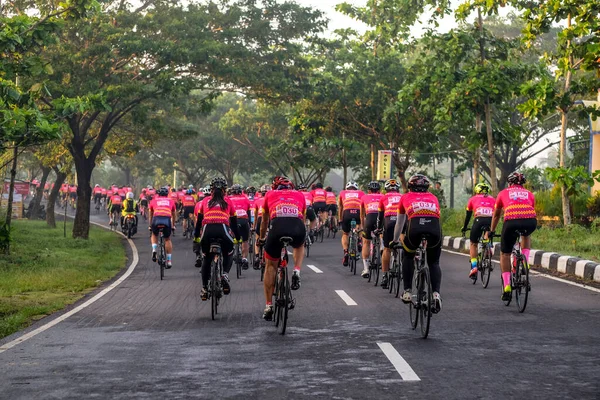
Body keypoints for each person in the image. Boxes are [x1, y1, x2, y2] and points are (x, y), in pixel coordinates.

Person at [392, 174, 443, 313]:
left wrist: (395, 240)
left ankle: (408, 291)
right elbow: (437, 217)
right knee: (434, 263)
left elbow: (400, 223)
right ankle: (436, 294)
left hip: (414, 228)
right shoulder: (434, 198)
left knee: (408, 256)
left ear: (410, 187)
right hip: (435, 230)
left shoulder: (405, 197)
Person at [258, 176, 306, 320]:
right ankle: (297, 270)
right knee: (299, 244)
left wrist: (261, 238)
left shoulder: (269, 194)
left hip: (276, 227)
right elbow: (302, 218)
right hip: (296, 227)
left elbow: (264, 221)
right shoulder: (299, 195)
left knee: (270, 266)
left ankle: (268, 306)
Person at [488, 172, 536, 301]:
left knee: (505, 254)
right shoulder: (530, 194)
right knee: (526, 235)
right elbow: (531, 210)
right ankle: (525, 262)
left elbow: (497, 215)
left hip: (511, 222)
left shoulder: (503, 193)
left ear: (510, 183)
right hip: (530, 221)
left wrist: (492, 230)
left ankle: (507, 286)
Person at [192, 178, 240, 300]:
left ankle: (204, 288)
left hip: (207, 230)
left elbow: (198, 223)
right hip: (223, 230)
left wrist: (196, 238)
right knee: (229, 252)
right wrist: (238, 238)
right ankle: (224, 275)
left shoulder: (204, 201)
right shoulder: (228, 201)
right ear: (224, 190)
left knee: (206, 259)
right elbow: (234, 223)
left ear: (212, 190)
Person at [461, 183, 495, 279]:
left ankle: (474, 267)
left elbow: (468, 216)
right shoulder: (493, 199)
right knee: (488, 232)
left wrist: (464, 227)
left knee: (473, 244)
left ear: (477, 191)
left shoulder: (472, 199)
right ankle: (487, 243)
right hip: (490, 220)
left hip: (478, 220)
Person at [377, 179, 402, 289]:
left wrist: (378, 228)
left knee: (386, 249)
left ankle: (385, 276)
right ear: (398, 189)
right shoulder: (403, 197)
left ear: (386, 189)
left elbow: (380, 216)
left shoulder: (383, 197)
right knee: (405, 245)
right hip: (402, 222)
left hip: (389, 221)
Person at [360, 181, 384, 278]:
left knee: (366, 242)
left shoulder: (364, 197)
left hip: (369, 219)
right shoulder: (383, 196)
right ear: (379, 191)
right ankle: (382, 244)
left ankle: (366, 269)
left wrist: (363, 228)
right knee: (382, 232)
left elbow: (362, 215)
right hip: (380, 218)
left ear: (369, 191)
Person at [149, 187, 177, 269]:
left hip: (156, 219)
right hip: (166, 220)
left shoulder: (153, 201)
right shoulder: (171, 201)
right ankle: (169, 261)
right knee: (167, 239)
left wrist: (150, 225)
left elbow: (150, 214)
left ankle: (154, 250)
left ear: (158, 194)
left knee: (154, 234)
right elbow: (174, 215)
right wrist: (173, 225)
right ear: (167, 194)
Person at [338, 181, 365, 266]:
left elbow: (341, 207)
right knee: (360, 225)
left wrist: (340, 219)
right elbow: (364, 207)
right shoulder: (361, 193)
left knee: (345, 233)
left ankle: (346, 251)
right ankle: (360, 240)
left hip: (347, 213)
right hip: (358, 213)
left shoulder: (342, 193)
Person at [229, 183, 251, 270]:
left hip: (233, 220)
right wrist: (249, 222)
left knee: (231, 235)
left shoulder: (228, 199)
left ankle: (233, 250)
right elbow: (248, 211)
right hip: (244, 220)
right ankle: (245, 259)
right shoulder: (245, 198)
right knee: (245, 240)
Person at [252, 184, 269, 266]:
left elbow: (255, 217)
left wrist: (253, 227)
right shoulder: (272, 199)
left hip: (260, 219)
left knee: (257, 238)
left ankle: (257, 256)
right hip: (270, 219)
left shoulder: (257, 201)